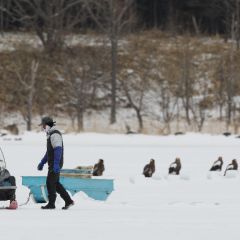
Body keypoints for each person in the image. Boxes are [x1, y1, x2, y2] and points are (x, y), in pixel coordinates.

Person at [37, 116, 74, 210]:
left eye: (43, 126)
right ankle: (68, 201)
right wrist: (42, 162)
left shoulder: (55, 134)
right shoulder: (50, 134)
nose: (43, 128)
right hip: (53, 162)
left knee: (50, 182)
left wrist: (56, 164)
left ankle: (51, 204)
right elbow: (49, 152)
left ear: (47, 125)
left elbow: (58, 149)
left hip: (55, 163)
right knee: (55, 183)